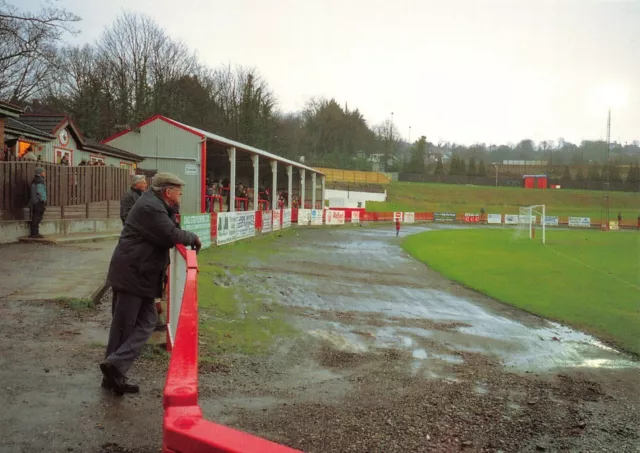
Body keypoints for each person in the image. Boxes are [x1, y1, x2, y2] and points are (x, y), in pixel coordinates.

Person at [101, 172, 201, 395]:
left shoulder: (155, 204)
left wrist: (174, 210)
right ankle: (113, 371)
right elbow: (170, 233)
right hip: (133, 273)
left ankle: (114, 367)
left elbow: (170, 225)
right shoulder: (150, 208)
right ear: (167, 192)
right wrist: (193, 237)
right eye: (179, 191)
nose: (181, 194)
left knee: (146, 321)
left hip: (140, 274)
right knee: (124, 326)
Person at [29, 167, 47, 238]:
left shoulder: (34, 180)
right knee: (38, 216)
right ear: (40, 173)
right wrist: (43, 199)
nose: (45, 173)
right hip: (38, 201)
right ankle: (34, 233)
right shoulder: (40, 180)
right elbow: (40, 191)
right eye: (43, 172)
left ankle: (34, 232)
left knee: (35, 216)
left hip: (34, 201)